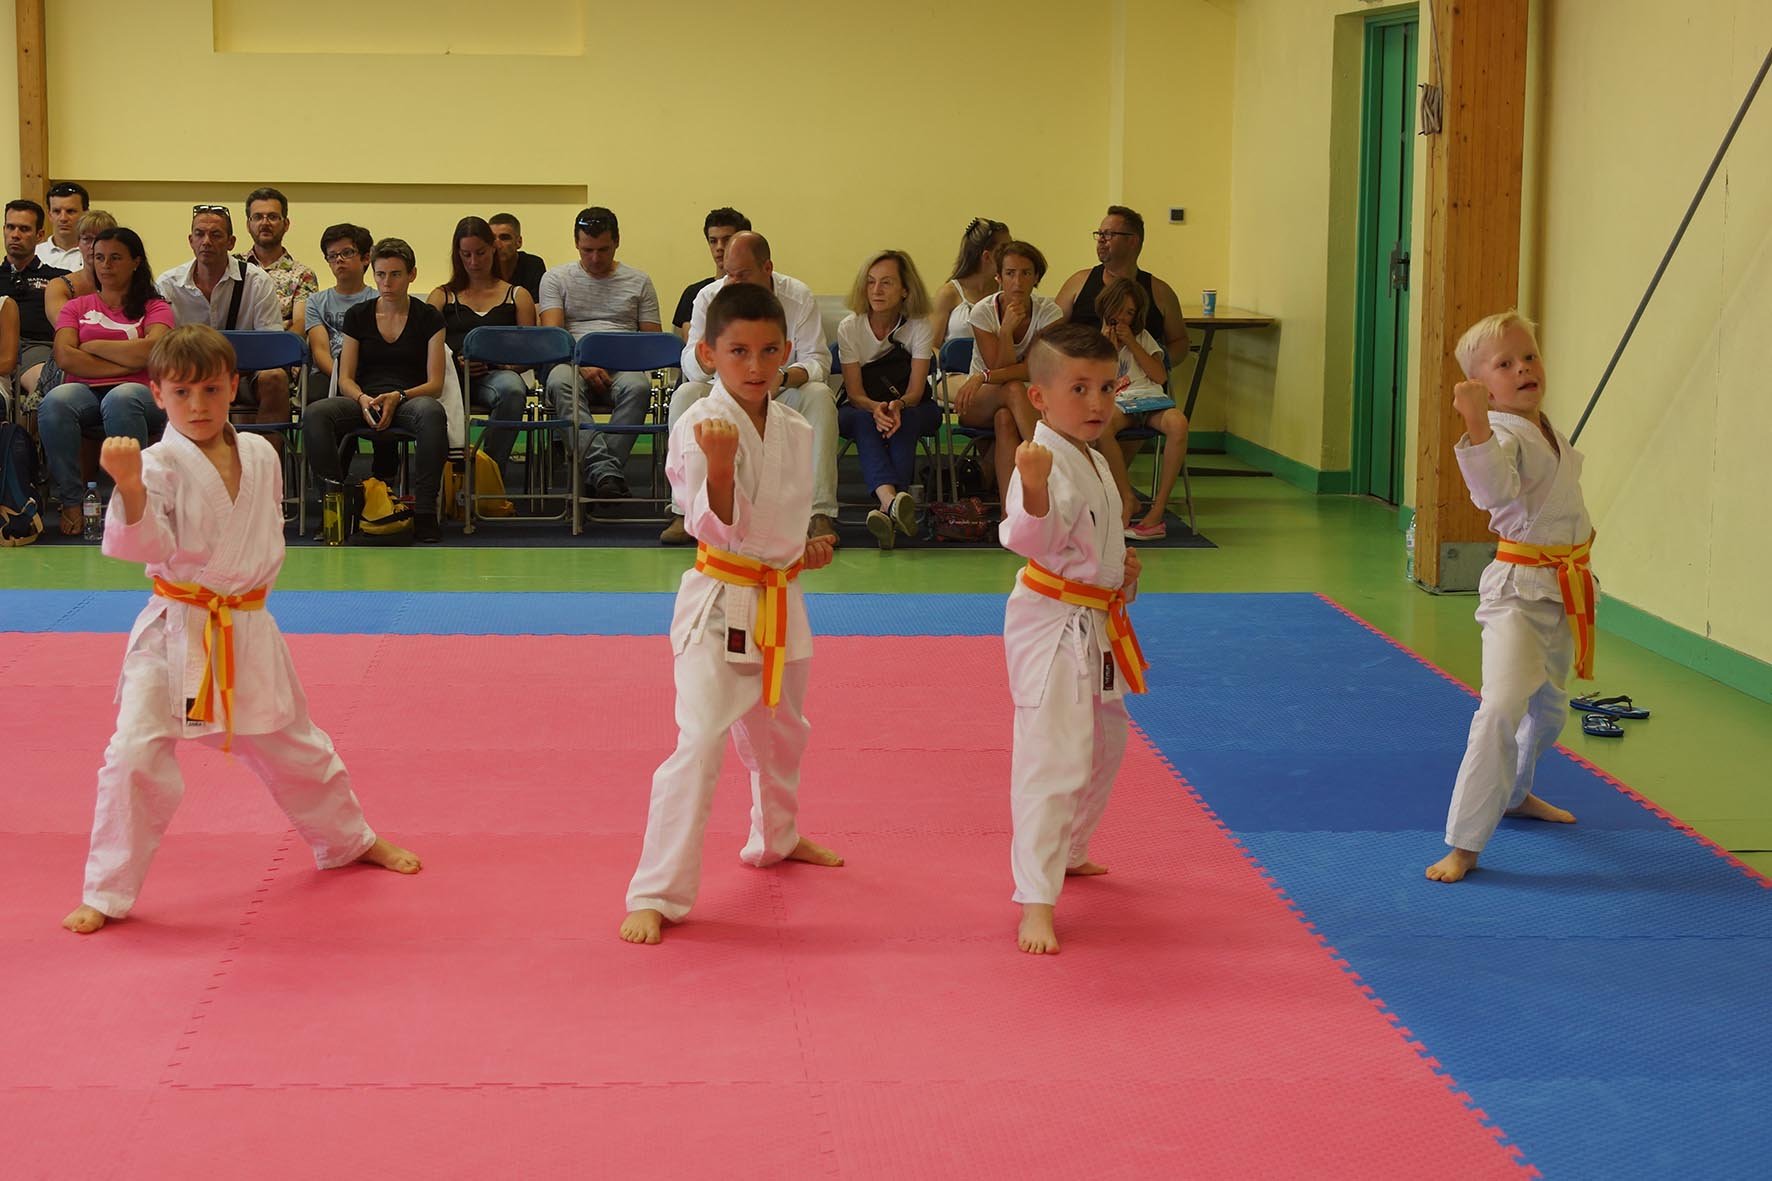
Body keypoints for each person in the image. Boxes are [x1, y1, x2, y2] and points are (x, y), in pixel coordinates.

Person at [60, 325, 420, 935]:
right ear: (158, 394)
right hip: (174, 632)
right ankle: (106, 890)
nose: (197, 405)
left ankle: (349, 840)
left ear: (233, 386)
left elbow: (264, 537)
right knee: (133, 755)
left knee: (297, 747)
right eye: (181, 393)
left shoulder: (260, 453)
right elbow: (142, 547)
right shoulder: (155, 464)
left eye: (210, 389)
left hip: (246, 625)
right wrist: (128, 485)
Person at [619, 282, 843, 947]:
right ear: (709, 353)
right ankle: (656, 892)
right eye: (738, 350)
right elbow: (711, 526)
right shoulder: (700, 421)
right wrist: (718, 468)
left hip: (780, 598)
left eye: (769, 350)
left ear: (788, 351)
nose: (755, 364)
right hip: (719, 603)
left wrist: (801, 551)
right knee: (699, 742)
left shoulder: (796, 427)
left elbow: (779, 522)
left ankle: (778, 837)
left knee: (784, 733)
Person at [998, 322, 1145, 955]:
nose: (1096, 402)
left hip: (1096, 620)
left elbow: (1094, 544)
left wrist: (1121, 572)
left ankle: (1073, 848)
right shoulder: (1041, 459)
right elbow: (1030, 538)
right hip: (1053, 626)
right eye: (1078, 388)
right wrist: (1032, 487)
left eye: (1106, 388)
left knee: (1106, 742)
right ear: (1039, 397)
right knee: (1053, 756)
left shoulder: (1094, 458)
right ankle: (1035, 900)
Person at [1427, 311, 1585, 884]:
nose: (1523, 368)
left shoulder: (1542, 428)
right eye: (1505, 364)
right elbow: (1493, 492)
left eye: (1529, 356)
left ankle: (1515, 795)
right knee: (1500, 708)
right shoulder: (1501, 433)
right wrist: (1475, 423)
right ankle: (1464, 843)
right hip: (1518, 594)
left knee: (1549, 713)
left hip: (1561, 589)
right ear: (1482, 386)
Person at [665, 231, 839, 546]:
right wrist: (713, 355)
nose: (734, 283)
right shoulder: (709, 296)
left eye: (743, 275)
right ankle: (684, 511)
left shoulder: (798, 296)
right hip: (723, 391)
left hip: (781, 389)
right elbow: (690, 364)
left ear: (767, 268)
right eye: (729, 274)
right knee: (685, 394)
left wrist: (781, 377)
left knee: (820, 396)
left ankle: (818, 513)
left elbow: (818, 361)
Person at [301, 238, 449, 543]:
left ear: (412, 275)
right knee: (316, 413)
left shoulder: (429, 317)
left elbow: (435, 384)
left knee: (432, 412)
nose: (387, 283)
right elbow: (345, 377)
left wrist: (399, 396)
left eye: (395, 274)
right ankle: (334, 507)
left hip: (409, 399)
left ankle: (424, 512)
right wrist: (361, 398)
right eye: (380, 275)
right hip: (365, 399)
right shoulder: (359, 315)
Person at [39, 228, 176, 535]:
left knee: (121, 398)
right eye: (99, 258)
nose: (106, 265)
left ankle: (130, 502)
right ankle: (71, 501)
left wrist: (93, 346)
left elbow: (152, 351)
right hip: (85, 392)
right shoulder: (76, 306)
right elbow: (65, 356)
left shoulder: (155, 306)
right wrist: (126, 361)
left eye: (115, 258)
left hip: (143, 395)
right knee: (56, 401)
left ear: (136, 262)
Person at [538, 206, 662, 499]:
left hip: (624, 364)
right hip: (572, 363)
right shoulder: (556, 279)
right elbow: (555, 337)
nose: (595, 258)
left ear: (617, 242)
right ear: (576, 244)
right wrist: (582, 364)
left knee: (639, 387)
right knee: (559, 381)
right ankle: (606, 474)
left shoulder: (639, 281)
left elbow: (652, 341)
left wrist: (616, 360)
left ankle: (597, 475)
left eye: (603, 250)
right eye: (587, 250)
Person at [156, 205, 289, 440]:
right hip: (188, 377)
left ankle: (266, 459)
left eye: (216, 235)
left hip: (245, 376)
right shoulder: (168, 285)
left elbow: (271, 350)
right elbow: (162, 349)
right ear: (190, 241)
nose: (206, 241)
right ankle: (177, 459)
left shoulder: (257, 281)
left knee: (275, 377)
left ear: (231, 242)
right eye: (199, 234)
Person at [835, 249, 937, 549]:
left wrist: (897, 406)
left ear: (905, 289)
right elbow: (854, 394)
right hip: (861, 406)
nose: (876, 290)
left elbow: (916, 391)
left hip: (911, 405)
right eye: (871, 282)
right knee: (865, 421)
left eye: (887, 282)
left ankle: (886, 509)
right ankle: (893, 504)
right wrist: (876, 408)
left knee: (905, 420)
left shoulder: (920, 325)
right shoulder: (850, 327)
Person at [427, 216, 535, 481]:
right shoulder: (441, 296)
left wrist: (503, 365)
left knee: (512, 388)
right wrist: (454, 363)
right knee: (429, 399)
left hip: (495, 375)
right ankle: (443, 476)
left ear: (493, 249)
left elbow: (531, 352)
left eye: (480, 253)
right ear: (457, 255)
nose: (474, 262)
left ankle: (489, 474)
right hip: (450, 377)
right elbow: (424, 346)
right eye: (466, 255)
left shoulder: (517, 295)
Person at [953, 240, 1063, 501]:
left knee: (1005, 419)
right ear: (999, 277)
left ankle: (1008, 509)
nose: (1017, 282)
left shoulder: (1049, 313)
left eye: (1026, 273)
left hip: (1025, 400)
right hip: (980, 400)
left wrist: (983, 375)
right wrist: (1005, 332)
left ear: (1036, 278)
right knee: (1012, 389)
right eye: (1010, 273)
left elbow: (1033, 370)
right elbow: (1001, 370)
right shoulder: (982, 312)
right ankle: (1056, 467)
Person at [1095, 278, 1189, 539]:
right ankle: (1127, 496)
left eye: (1129, 313)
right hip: (1119, 404)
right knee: (1102, 428)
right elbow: (1096, 385)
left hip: (1150, 401)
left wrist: (1133, 344)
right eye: (1118, 310)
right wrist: (1109, 352)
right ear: (1106, 307)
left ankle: (1157, 511)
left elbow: (1159, 376)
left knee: (1179, 424)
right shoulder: (1095, 343)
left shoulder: (1143, 338)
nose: (1122, 318)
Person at [1, 199, 69, 404]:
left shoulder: (59, 278)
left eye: (24, 229)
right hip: (1, 348)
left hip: (37, 349)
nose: (15, 234)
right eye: (10, 227)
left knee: (46, 386)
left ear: (40, 235)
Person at [297, 223, 378, 382]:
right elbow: (320, 352)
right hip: (328, 374)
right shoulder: (316, 302)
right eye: (332, 256)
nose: (339, 260)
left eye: (347, 253)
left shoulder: (378, 300)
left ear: (366, 258)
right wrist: (344, 380)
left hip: (367, 374)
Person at [242, 187, 319, 331]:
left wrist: (281, 343)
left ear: (286, 224)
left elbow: (301, 323)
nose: (265, 223)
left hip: (281, 343)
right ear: (248, 225)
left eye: (272, 217)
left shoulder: (302, 275)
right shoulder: (234, 266)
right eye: (258, 217)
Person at [928, 216, 1009, 350]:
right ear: (987, 256)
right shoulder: (948, 294)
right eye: (1005, 250)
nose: (1011, 255)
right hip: (955, 364)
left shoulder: (1007, 291)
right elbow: (931, 347)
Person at [672, 207, 750, 337]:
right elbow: (692, 342)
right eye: (713, 241)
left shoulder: (760, 287)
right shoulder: (694, 293)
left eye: (727, 240)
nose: (719, 247)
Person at [43, 209, 119, 325]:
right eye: (87, 239)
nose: (93, 246)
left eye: (100, 239)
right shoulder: (59, 286)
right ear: (78, 243)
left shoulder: (129, 284)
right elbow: (66, 329)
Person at [489, 213, 546, 302]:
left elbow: (538, 305)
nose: (497, 245)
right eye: (492, 239)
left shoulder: (532, 265)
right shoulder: (482, 266)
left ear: (519, 242)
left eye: (504, 238)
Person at [36, 181, 88, 270]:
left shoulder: (95, 254)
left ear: (85, 214)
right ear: (49, 215)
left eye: (70, 211)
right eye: (57, 211)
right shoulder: (35, 254)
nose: (63, 218)